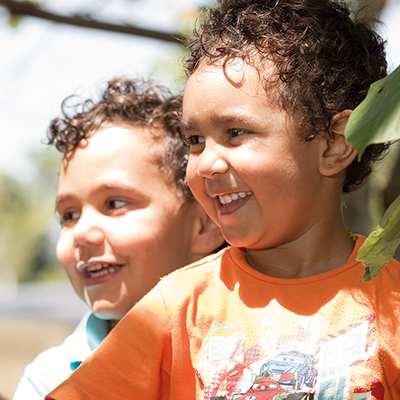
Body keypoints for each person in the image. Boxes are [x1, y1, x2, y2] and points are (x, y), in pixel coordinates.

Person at [46, 1, 400, 399]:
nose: (207, 164)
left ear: (335, 144)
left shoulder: (392, 304)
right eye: (195, 140)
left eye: (235, 132)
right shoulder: (176, 307)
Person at [13, 77, 225, 400]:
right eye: (69, 215)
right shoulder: (50, 382)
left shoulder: (242, 353)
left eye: (114, 204)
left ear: (204, 226)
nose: (81, 233)